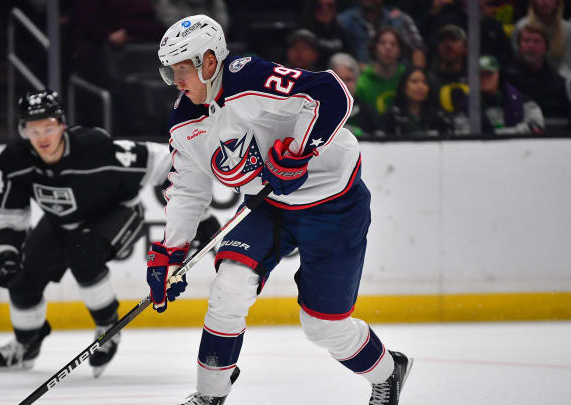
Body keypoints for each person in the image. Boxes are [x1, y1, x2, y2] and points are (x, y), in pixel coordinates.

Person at [151, 14, 413, 405]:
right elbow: (188, 188)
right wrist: (171, 251)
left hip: (334, 207)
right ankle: (210, 395)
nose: (176, 81)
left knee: (324, 328)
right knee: (229, 287)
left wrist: (298, 152)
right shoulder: (184, 118)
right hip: (268, 206)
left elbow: (332, 92)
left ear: (209, 62)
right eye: (169, 72)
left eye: (181, 70)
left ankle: (388, 372)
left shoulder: (251, 78)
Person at [0, 89, 166, 375]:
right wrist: (7, 249)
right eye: (33, 129)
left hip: (116, 213)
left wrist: (201, 216)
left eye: (48, 127)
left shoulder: (95, 147)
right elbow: (11, 215)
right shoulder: (15, 161)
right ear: (23, 130)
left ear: (62, 125)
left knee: (85, 252)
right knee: (21, 276)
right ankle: (26, 344)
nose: (42, 137)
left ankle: (108, 328)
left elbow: (163, 161)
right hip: (61, 221)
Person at [452, 55, 545, 135]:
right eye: (479, 75)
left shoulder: (523, 101)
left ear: (499, 75)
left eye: (489, 74)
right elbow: (462, 134)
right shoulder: (464, 105)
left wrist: (496, 134)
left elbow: (536, 127)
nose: (483, 79)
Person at [505, 24, 571, 119]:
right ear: (519, 46)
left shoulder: (558, 81)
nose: (531, 45)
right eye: (526, 41)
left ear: (546, 47)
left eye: (537, 41)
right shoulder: (507, 77)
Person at [338, 0, 426, 67]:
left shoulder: (399, 19)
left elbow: (417, 48)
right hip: (358, 81)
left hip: (398, 80)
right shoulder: (344, 21)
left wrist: (416, 77)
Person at [383, 67, 452, 136]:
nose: (421, 86)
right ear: (403, 87)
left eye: (425, 82)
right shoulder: (393, 116)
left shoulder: (438, 116)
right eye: (414, 81)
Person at [328, 52, 383, 137]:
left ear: (356, 81)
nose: (344, 85)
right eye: (339, 79)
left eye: (348, 79)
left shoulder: (368, 112)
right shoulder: (319, 110)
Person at [512, 0, 571, 79]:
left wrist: (558, 80)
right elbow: (516, 57)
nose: (545, 1)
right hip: (525, 76)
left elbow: (566, 62)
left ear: (557, 3)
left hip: (558, 77)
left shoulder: (566, 29)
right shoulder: (521, 26)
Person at [355, 27, 406, 115]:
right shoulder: (361, 85)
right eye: (382, 43)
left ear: (400, 50)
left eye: (393, 44)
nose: (388, 48)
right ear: (374, 49)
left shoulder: (407, 79)